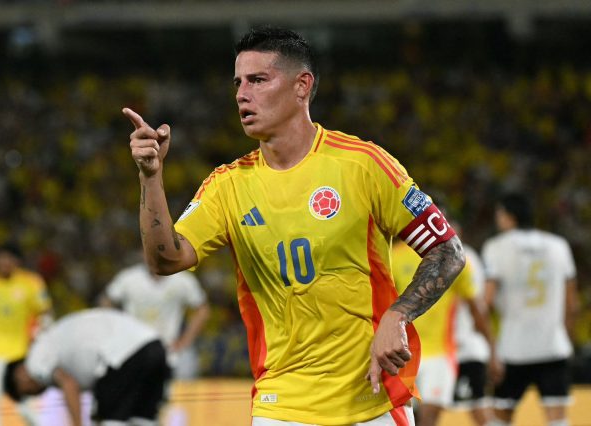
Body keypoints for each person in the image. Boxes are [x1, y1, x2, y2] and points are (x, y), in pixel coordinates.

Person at [123, 26, 466, 425]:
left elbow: (448, 250)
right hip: (281, 404)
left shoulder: (363, 165)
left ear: (302, 86)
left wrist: (398, 315)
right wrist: (150, 177)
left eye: (257, 80)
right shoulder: (227, 186)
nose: (242, 94)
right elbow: (165, 260)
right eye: (238, 83)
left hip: (371, 401)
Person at [482, 192, 578, 426]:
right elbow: (572, 304)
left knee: (501, 418)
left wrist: (491, 349)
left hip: (513, 348)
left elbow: (486, 302)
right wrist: (566, 338)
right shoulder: (559, 245)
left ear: (509, 216)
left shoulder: (495, 247)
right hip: (553, 346)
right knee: (557, 419)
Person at [3, 308, 170, 426]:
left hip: (120, 355)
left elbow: (69, 384)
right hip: (155, 346)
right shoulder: (54, 341)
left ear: (19, 374)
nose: (36, 395)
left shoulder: (34, 361)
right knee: (143, 420)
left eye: (26, 392)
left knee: (112, 421)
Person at [391, 239, 494, 426]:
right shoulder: (394, 256)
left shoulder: (455, 256)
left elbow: (475, 307)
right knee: (407, 418)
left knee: (429, 418)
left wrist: (492, 351)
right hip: (404, 353)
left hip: (440, 355)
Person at [0, 242, 52, 426]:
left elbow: (45, 313)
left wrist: (42, 334)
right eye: (0, 259)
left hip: (24, 352)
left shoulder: (31, 282)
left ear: (17, 261)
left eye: (8, 258)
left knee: (25, 405)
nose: (4, 263)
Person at [100, 256, 210, 380]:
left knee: (185, 369)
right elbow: (106, 302)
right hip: (133, 348)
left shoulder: (182, 280)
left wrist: (185, 341)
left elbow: (202, 310)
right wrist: (117, 333)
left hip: (169, 347)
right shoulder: (129, 278)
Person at [452, 243, 495, 425]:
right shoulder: (471, 256)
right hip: (466, 345)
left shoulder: (457, 256)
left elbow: (477, 305)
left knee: (478, 406)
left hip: (461, 346)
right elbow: (484, 300)